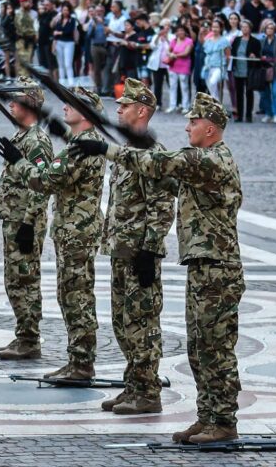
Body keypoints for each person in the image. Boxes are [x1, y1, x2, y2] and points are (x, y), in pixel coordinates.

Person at [70, 91, 244, 444]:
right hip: (204, 266)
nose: (187, 127)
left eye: (193, 122)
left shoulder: (212, 161)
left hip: (218, 269)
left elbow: (159, 164)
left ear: (211, 129)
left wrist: (105, 149)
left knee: (216, 348)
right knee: (199, 347)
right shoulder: (202, 159)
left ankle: (223, 420)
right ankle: (207, 416)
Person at [0, 87, 106, 380]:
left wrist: (19, 161)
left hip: (76, 232)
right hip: (74, 230)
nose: (65, 108)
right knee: (72, 295)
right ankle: (78, 360)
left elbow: (46, 180)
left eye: (71, 104)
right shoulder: (82, 142)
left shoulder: (83, 145)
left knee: (75, 297)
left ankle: (81, 363)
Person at [95, 79, 174, 414]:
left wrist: (150, 250)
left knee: (142, 323)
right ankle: (133, 385)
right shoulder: (127, 153)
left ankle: (148, 392)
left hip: (140, 254)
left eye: (124, 106)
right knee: (122, 322)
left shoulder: (152, 155)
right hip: (120, 250)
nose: (118, 110)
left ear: (142, 111)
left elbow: (162, 206)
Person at [0, 79, 53, 361]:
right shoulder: (21, 137)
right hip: (14, 219)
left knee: (25, 279)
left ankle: (29, 339)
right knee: (14, 279)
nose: (11, 105)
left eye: (16, 101)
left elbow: (42, 185)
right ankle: (23, 333)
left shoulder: (37, 141)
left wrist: (29, 223)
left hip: (25, 222)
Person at [231, 20, 261, 122]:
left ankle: (248, 115)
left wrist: (254, 56)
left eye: (246, 27)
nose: (244, 29)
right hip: (238, 68)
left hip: (249, 69)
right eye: (242, 27)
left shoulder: (255, 41)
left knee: (249, 92)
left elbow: (258, 55)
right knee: (239, 93)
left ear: (250, 28)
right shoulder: (237, 40)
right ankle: (239, 115)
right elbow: (233, 52)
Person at [166, 24, 193, 113]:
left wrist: (174, 55)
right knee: (173, 86)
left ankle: (186, 105)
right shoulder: (174, 40)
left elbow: (186, 53)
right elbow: (168, 50)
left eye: (182, 30)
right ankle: (172, 105)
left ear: (185, 32)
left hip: (184, 65)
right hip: (173, 65)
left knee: (184, 86)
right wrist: (170, 54)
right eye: (178, 31)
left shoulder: (189, 41)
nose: (180, 32)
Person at [202, 19, 231, 101]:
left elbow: (228, 55)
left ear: (221, 28)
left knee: (213, 82)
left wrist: (225, 68)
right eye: (213, 27)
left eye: (217, 27)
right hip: (208, 66)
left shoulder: (224, 41)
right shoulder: (208, 40)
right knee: (211, 89)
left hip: (219, 67)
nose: (214, 29)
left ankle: (216, 105)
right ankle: (216, 105)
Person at [147, 18, 171, 108]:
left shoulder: (172, 36)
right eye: (164, 26)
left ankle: (175, 103)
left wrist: (167, 38)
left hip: (169, 65)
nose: (166, 28)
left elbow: (173, 47)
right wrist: (158, 36)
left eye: (168, 25)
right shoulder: (156, 36)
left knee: (171, 84)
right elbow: (152, 46)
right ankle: (158, 103)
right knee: (157, 84)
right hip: (157, 64)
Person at [52, 1, 78, 85]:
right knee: (60, 64)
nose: (65, 12)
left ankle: (71, 83)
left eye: (67, 10)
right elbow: (54, 30)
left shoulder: (72, 20)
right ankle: (62, 83)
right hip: (59, 42)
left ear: (69, 11)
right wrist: (54, 43)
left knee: (68, 64)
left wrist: (59, 33)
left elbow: (69, 31)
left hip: (69, 43)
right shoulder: (59, 19)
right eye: (64, 10)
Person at [86, 4, 108, 94]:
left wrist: (102, 23)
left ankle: (106, 88)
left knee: (106, 68)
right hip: (95, 46)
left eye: (101, 11)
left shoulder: (107, 20)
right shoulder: (92, 22)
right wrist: (94, 26)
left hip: (105, 46)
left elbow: (109, 32)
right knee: (96, 68)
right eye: (97, 11)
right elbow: (89, 35)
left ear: (103, 11)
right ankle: (98, 88)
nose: (99, 12)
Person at [15, 0, 37, 77]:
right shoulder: (18, 13)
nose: (28, 3)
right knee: (21, 62)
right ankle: (22, 81)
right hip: (21, 41)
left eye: (29, 1)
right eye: (26, 2)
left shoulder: (33, 13)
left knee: (28, 61)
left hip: (30, 41)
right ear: (21, 3)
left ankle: (26, 80)